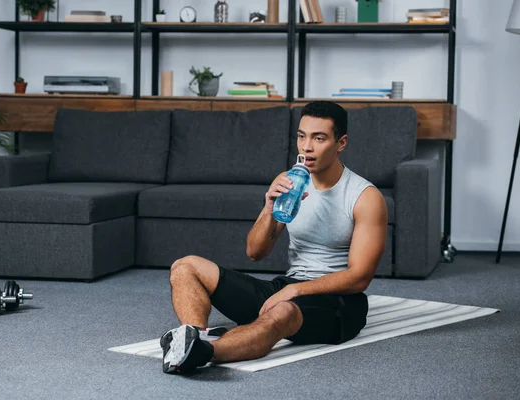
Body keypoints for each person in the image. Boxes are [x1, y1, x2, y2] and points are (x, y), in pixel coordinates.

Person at [160, 100, 388, 374]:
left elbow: (359, 277)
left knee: (282, 313)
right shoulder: (290, 181)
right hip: (287, 285)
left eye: (319, 138)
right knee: (185, 267)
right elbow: (255, 252)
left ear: (341, 143)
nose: (307, 147)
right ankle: (194, 335)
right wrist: (270, 208)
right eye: (302, 136)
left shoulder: (365, 197)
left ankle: (202, 352)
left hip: (338, 302)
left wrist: (294, 291)